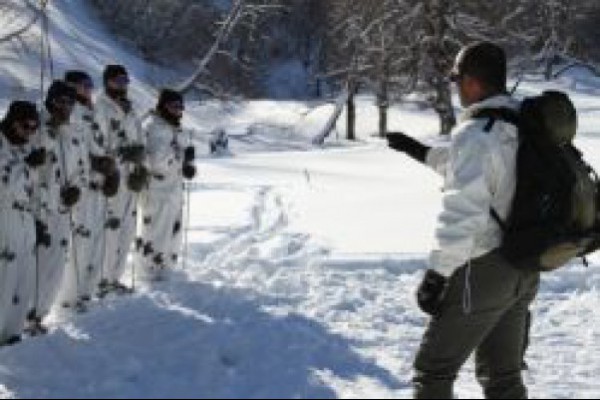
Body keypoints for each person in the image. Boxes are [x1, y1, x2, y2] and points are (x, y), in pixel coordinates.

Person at [388, 42, 539, 399]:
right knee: (503, 379)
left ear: (471, 83)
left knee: (433, 374)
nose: (456, 89)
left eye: (458, 81)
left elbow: (464, 212)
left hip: (483, 269)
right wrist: (420, 151)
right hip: (524, 267)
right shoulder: (521, 124)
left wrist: (437, 275)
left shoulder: (477, 134)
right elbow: (490, 173)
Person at [28, 81, 85, 332]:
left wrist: (76, 189)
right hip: (38, 210)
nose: (66, 107)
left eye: (70, 102)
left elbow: (80, 169)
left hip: (62, 210)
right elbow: (27, 171)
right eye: (61, 101)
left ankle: (40, 314)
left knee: (55, 265)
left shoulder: (72, 133)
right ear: (50, 101)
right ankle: (23, 318)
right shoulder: (37, 128)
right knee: (34, 266)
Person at [61, 71, 119, 308]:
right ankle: (70, 297)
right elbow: (73, 149)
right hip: (81, 185)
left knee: (96, 238)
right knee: (80, 241)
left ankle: (87, 290)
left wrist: (110, 168)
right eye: (84, 85)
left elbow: (102, 143)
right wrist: (94, 162)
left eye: (90, 85)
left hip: (98, 184)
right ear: (72, 86)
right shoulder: (71, 113)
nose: (88, 89)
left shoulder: (93, 112)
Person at [95, 65, 148, 295]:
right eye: (118, 81)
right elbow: (98, 145)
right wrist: (122, 155)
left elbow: (139, 141)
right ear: (107, 82)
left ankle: (115, 278)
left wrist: (140, 166)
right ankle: (102, 279)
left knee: (126, 230)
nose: (123, 85)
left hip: (129, 179)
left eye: (126, 80)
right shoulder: (101, 108)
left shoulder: (131, 110)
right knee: (110, 228)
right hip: (112, 178)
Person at [137, 89, 196, 281]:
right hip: (158, 188)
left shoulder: (174, 128)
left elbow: (183, 151)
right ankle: (149, 270)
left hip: (174, 188)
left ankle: (167, 267)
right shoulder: (155, 128)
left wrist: (188, 163)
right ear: (163, 106)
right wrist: (178, 155)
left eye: (180, 107)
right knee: (156, 230)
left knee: (172, 230)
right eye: (173, 106)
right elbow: (156, 161)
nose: (178, 110)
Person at [0, 101, 43, 345]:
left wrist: (39, 218)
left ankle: (13, 331)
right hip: (4, 218)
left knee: (23, 277)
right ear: (13, 122)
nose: (30, 132)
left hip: (25, 220)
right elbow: (7, 186)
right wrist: (26, 167)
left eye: (34, 127)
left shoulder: (25, 147)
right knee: (4, 278)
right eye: (26, 126)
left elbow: (33, 189)